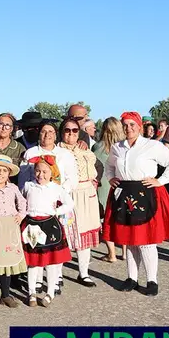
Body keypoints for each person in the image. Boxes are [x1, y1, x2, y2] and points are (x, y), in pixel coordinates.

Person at [103, 112, 169, 296]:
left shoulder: (152, 145)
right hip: (124, 195)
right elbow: (109, 166)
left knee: (146, 241)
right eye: (125, 125)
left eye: (132, 125)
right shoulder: (117, 147)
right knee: (129, 240)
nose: (128, 128)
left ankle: (151, 280)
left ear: (139, 126)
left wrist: (161, 180)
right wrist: (111, 178)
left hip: (146, 193)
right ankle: (131, 278)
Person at [21, 160, 74, 307]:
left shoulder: (56, 188)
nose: (41, 175)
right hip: (32, 226)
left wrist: (56, 211)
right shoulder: (28, 186)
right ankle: (31, 292)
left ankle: (50, 292)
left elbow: (69, 204)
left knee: (51, 263)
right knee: (33, 262)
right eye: (38, 171)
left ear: (52, 173)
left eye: (45, 172)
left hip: (50, 225)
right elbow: (21, 202)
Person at [58, 118, 100, 287]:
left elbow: (96, 171)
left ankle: (83, 273)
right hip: (66, 194)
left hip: (86, 194)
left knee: (84, 234)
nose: (71, 133)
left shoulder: (85, 150)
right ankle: (57, 274)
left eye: (75, 130)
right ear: (62, 132)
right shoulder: (56, 151)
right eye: (67, 130)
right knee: (63, 234)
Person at [0, 155, 27, 308]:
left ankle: (5, 294)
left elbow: (22, 202)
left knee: (6, 264)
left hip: (10, 228)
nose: (0, 174)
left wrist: (21, 215)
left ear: (9, 173)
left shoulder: (13, 188)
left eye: (4, 171)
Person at [92, 117, 125, 262]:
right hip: (121, 185)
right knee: (122, 219)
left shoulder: (98, 147)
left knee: (106, 220)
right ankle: (124, 252)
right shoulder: (125, 147)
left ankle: (111, 253)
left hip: (103, 185)